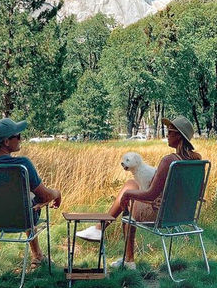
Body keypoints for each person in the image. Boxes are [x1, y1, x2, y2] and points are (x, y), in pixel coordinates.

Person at [76, 115, 201, 269]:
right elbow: (198, 194)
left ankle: (120, 251)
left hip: (161, 215)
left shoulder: (169, 161)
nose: (166, 135)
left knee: (128, 194)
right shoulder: (197, 161)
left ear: (179, 136)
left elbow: (150, 195)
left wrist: (128, 195)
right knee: (131, 184)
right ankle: (101, 231)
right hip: (183, 214)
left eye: (169, 132)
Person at [0, 117, 62, 266]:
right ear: (6, 142)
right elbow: (45, 195)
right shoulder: (22, 165)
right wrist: (57, 194)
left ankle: (37, 254)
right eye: (18, 136)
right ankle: (38, 256)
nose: (20, 139)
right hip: (22, 220)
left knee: (26, 200)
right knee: (34, 200)